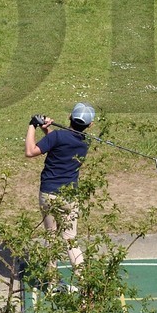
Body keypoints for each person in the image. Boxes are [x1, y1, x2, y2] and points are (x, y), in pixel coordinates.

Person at [25, 103, 94, 271]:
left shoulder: (57, 137)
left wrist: (33, 125)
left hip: (48, 194)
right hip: (69, 196)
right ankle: (84, 282)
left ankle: (51, 282)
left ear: (69, 117)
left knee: (52, 237)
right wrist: (47, 131)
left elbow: (30, 151)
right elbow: (59, 143)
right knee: (70, 239)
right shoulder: (85, 143)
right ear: (90, 125)